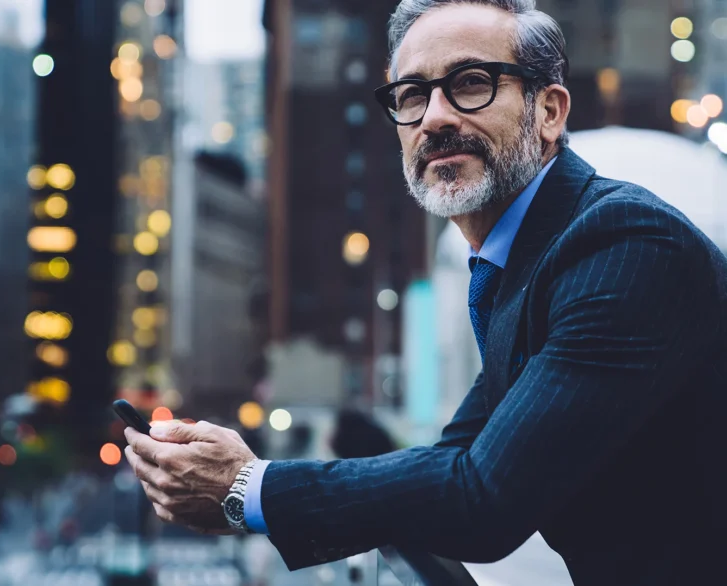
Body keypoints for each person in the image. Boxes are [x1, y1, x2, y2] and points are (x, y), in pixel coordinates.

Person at [123, 1, 727, 583]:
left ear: (549, 111)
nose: (434, 117)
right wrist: (252, 478)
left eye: (470, 83)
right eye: (412, 96)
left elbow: (485, 499)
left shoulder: (622, 246)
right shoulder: (524, 260)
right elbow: (454, 459)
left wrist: (249, 489)